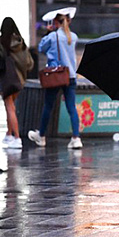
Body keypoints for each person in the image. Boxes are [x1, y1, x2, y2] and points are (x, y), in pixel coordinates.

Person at [28, 13, 83, 149]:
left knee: (48, 106)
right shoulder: (73, 37)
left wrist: (48, 31)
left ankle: (41, 136)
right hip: (70, 76)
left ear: (55, 23)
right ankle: (76, 138)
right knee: (71, 107)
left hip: (55, 75)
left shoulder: (53, 37)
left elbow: (41, 48)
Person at [0, 17, 34, 149]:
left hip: (6, 80)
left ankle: (17, 138)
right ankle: (9, 134)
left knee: (10, 108)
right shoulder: (21, 43)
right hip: (19, 80)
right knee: (11, 107)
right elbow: (30, 63)